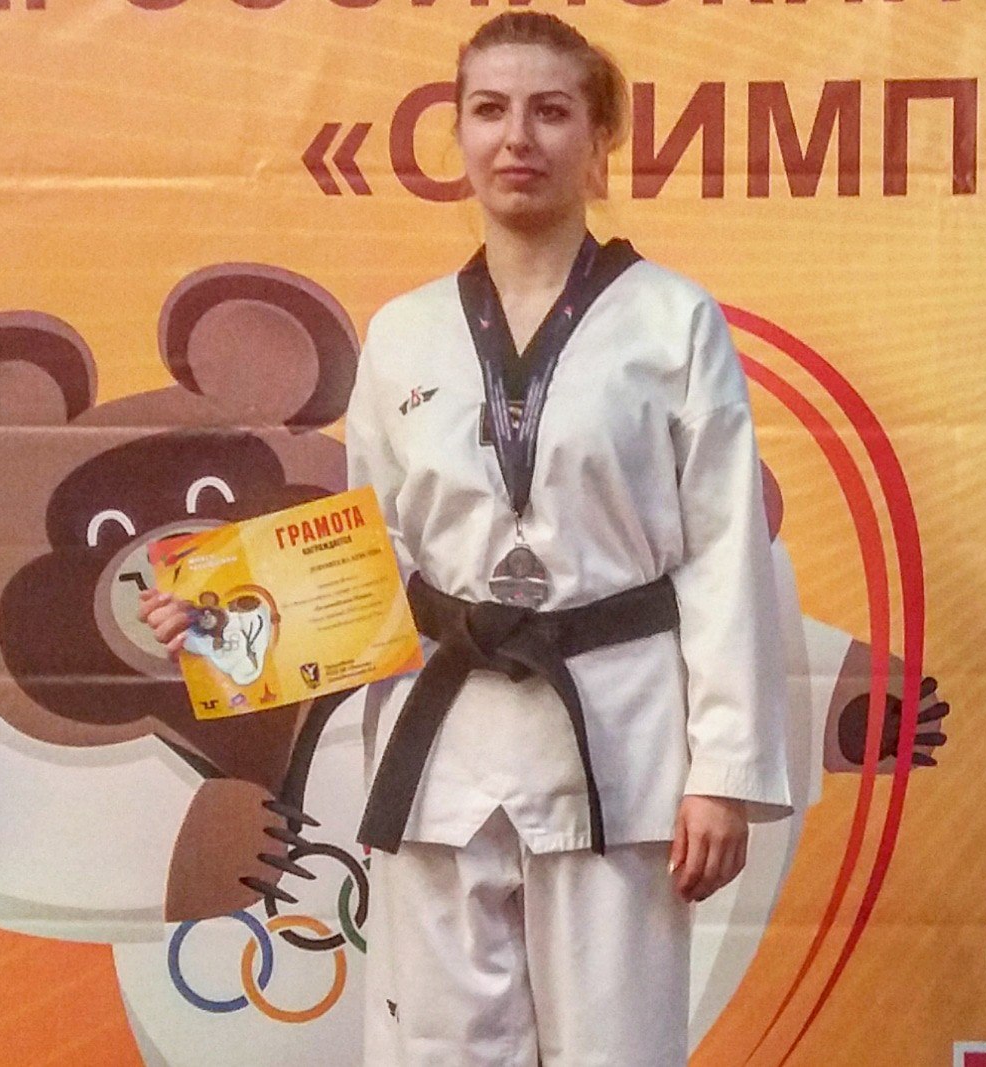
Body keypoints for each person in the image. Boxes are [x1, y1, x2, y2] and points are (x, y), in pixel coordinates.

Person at [142, 12, 791, 1065]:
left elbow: (723, 555)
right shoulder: (405, 333)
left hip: (614, 745)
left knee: (616, 1048)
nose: (516, 137)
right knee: (438, 1050)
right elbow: (369, 561)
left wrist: (721, 770)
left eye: (550, 111)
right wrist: (222, 619)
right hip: (441, 748)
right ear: (457, 131)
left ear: (598, 134)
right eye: (488, 109)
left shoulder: (672, 321)